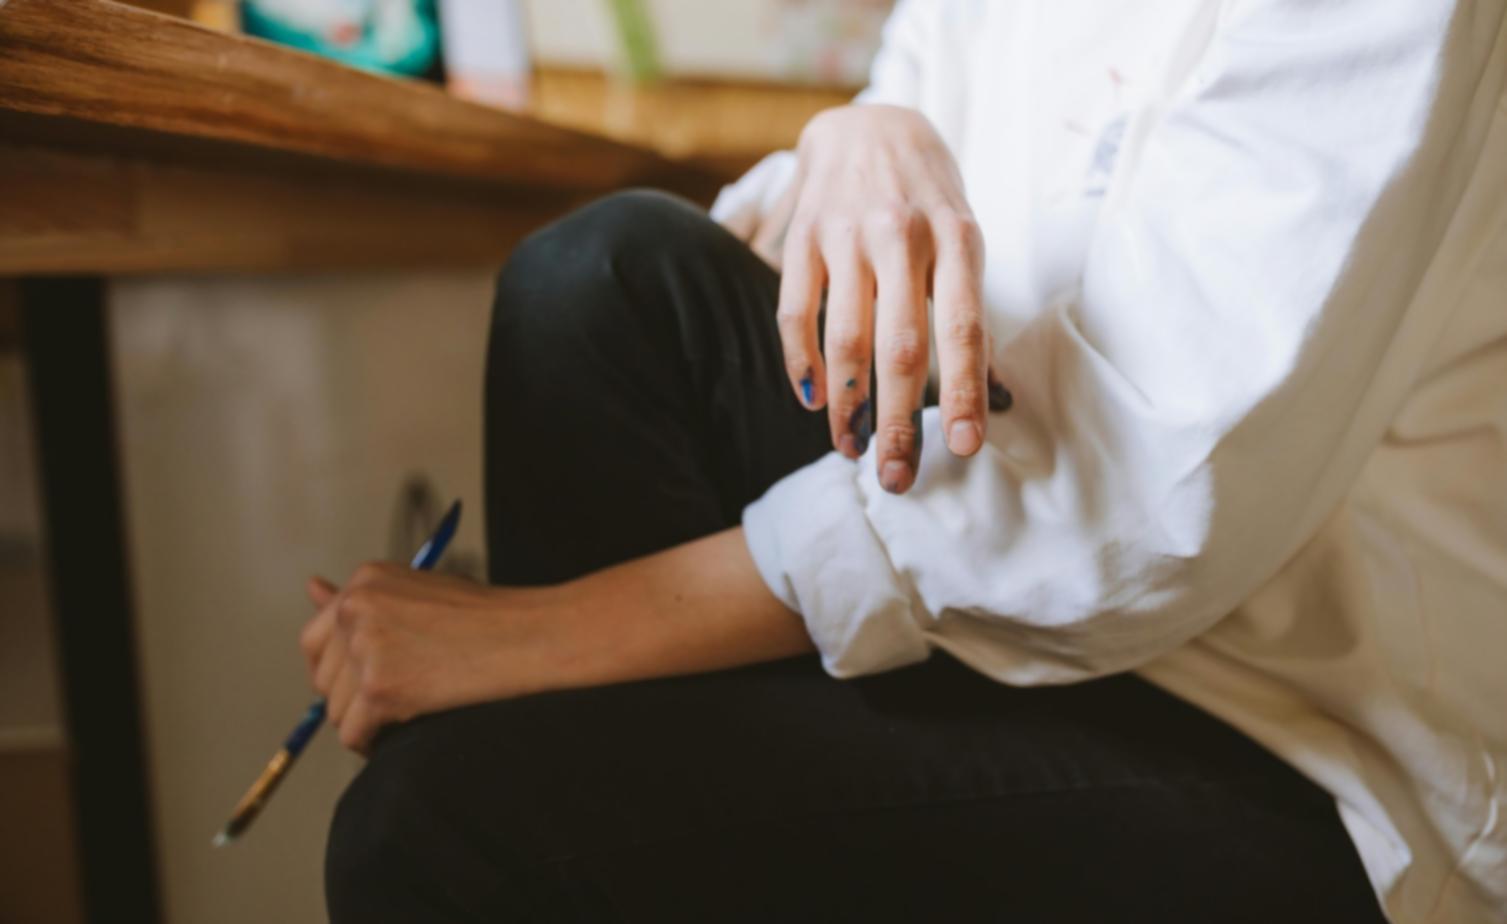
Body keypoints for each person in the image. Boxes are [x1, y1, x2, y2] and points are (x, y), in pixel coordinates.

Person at [307, 1, 1507, 920]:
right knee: (604, 284)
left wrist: (537, 636)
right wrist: (861, 137)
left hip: (1297, 748)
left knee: (438, 818)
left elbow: (1141, 510)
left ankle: (548, 796)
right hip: (1021, 639)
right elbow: (845, 284)